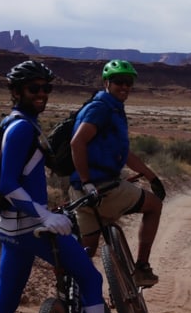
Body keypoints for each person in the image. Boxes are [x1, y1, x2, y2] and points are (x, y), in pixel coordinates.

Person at [0, 60, 121, 313]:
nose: (42, 95)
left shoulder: (13, 124)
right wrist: (43, 214)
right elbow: (8, 184)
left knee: (5, 303)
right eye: (34, 89)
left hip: (11, 230)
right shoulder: (21, 130)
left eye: (46, 88)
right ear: (16, 92)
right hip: (32, 228)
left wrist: (47, 206)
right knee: (90, 280)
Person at [68, 59, 165, 287]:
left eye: (128, 83)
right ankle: (141, 267)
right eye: (119, 82)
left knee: (86, 253)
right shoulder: (101, 108)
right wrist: (87, 181)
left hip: (81, 193)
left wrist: (151, 176)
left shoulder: (110, 107)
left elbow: (125, 153)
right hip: (101, 188)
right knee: (154, 206)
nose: (124, 87)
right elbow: (77, 142)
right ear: (106, 82)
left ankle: (74, 301)